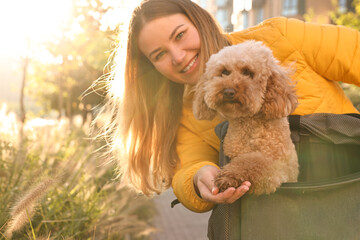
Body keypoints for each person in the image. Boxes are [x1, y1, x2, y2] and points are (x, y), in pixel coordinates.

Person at [100, 0, 360, 214]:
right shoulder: (185, 113)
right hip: (274, 220)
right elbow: (188, 167)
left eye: (180, 35)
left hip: (349, 188)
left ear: (200, 22)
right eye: (159, 54)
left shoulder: (280, 36)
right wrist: (200, 176)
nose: (178, 57)